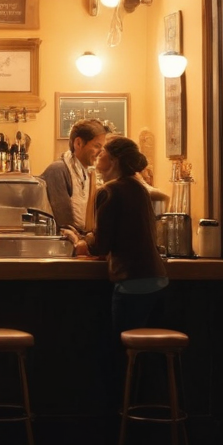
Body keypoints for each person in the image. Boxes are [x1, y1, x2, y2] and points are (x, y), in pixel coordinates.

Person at [65, 137, 169, 334]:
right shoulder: (139, 187)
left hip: (132, 281)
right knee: (144, 351)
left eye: (102, 152)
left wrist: (77, 239)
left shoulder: (109, 191)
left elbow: (101, 246)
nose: (97, 155)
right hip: (158, 279)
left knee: (121, 349)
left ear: (112, 160)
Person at [39, 118, 108, 232]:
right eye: (97, 146)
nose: (101, 152)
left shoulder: (88, 173)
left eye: (102, 148)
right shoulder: (58, 170)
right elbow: (65, 223)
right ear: (78, 143)